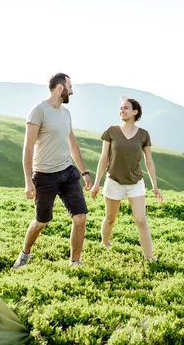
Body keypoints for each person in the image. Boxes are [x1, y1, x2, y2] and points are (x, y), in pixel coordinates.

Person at [12, 73, 92, 269]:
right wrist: (28, 181)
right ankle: (24, 255)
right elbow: (28, 147)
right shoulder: (39, 111)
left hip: (67, 172)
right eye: (70, 86)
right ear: (60, 88)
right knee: (41, 221)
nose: (72, 91)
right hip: (44, 175)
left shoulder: (66, 114)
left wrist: (84, 171)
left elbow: (72, 143)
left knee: (80, 217)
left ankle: (75, 261)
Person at [91, 97, 163, 262]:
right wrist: (96, 184)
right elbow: (103, 158)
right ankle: (105, 243)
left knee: (140, 220)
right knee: (110, 218)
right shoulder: (111, 131)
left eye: (126, 108)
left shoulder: (144, 135)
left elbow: (149, 161)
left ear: (135, 112)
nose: (122, 111)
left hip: (135, 183)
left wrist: (155, 187)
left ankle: (149, 257)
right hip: (113, 181)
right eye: (121, 108)